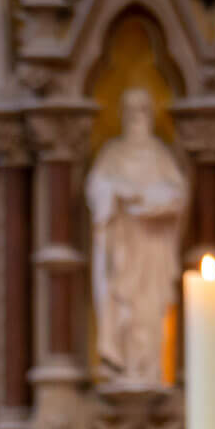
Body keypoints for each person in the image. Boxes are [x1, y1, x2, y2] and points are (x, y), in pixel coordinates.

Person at [84, 88, 188, 386]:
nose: (136, 116)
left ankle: (147, 369)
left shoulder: (159, 155)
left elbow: (177, 194)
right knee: (124, 308)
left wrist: (149, 200)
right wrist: (116, 191)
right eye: (130, 110)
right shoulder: (112, 154)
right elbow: (97, 189)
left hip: (152, 245)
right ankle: (125, 366)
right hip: (122, 246)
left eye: (142, 109)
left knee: (148, 310)